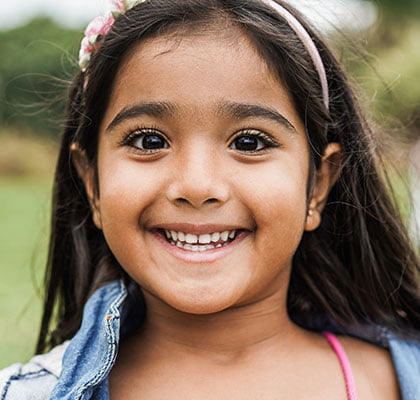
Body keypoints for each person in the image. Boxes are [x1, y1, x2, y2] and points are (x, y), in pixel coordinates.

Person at [1, 0, 419, 398]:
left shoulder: (397, 380)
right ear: (92, 183)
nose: (198, 186)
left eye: (250, 142)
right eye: (149, 140)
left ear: (318, 186)